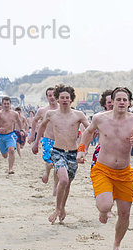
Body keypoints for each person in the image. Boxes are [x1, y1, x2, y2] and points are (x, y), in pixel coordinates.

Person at [77, 87, 133, 250]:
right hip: (103, 169)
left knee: (124, 213)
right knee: (106, 205)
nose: (121, 102)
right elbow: (87, 133)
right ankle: (102, 209)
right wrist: (81, 150)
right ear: (112, 101)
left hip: (124, 172)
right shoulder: (100, 118)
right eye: (118, 99)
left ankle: (117, 244)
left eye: (125, 100)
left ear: (129, 102)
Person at [36, 85, 89, 223]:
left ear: (71, 100)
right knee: (63, 180)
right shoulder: (51, 114)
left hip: (73, 153)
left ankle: (63, 207)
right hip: (57, 151)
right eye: (62, 97)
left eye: (67, 97)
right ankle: (57, 209)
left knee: (68, 183)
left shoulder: (78, 115)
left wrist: (83, 149)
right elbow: (41, 126)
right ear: (57, 99)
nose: (65, 100)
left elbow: (90, 131)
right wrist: (36, 142)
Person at [32, 88, 59, 192]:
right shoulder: (42, 110)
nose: (52, 97)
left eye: (53, 95)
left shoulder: (62, 109)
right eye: (49, 95)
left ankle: (55, 187)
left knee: (57, 166)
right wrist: (32, 137)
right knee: (50, 164)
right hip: (47, 140)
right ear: (47, 97)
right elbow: (34, 121)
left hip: (60, 142)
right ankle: (47, 172)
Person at [0, 97, 24, 174]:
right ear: (2, 104)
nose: (6, 105)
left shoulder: (15, 114)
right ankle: (5, 151)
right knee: (4, 155)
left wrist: (21, 130)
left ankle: (10, 169)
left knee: (11, 150)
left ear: (10, 104)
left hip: (10, 135)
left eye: (8, 104)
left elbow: (19, 122)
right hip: (0, 136)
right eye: (5, 104)